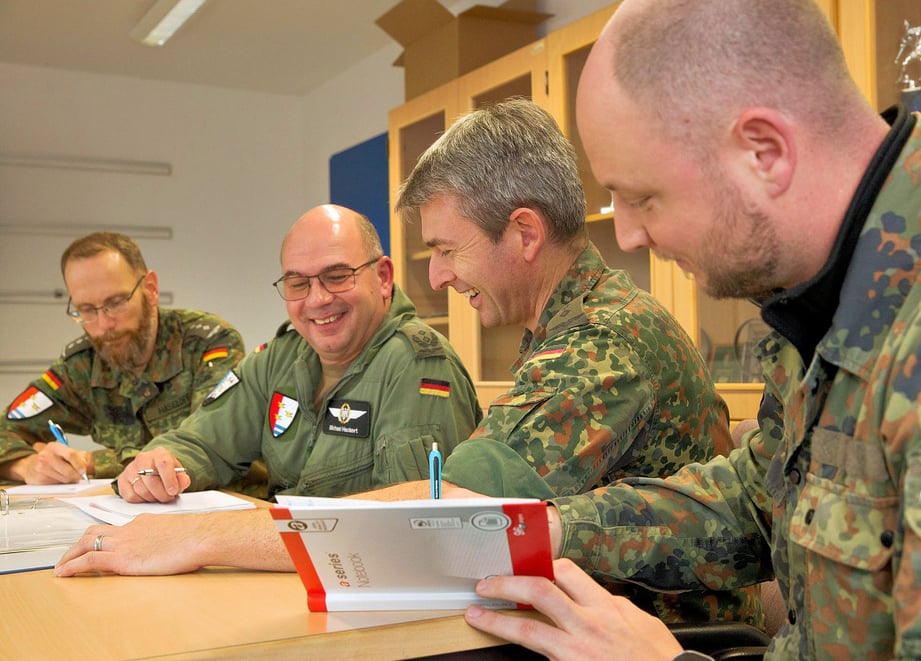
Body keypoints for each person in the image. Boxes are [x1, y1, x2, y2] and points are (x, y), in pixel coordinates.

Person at [453, 0, 921, 659]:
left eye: (642, 197)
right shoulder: (821, 293)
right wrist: (546, 530)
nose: (630, 235)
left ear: (764, 151)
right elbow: (756, 498)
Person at [56, 103, 753, 629]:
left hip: (652, 637)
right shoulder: (569, 324)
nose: (442, 276)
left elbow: (446, 514)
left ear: (524, 233)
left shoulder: (604, 340)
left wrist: (193, 536)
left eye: (448, 250)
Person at [108, 204, 481, 503]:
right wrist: (161, 463)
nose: (317, 300)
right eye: (297, 283)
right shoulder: (280, 359)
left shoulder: (417, 365)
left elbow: (409, 523)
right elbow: (203, 441)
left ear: (383, 278)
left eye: (337, 276)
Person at [0, 232, 244, 484]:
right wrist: (25, 466)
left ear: (150, 289)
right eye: (86, 310)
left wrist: (92, 463)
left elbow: (205, 445)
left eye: (115, 303)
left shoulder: (207, 343)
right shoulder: (83, 365)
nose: (104, 325)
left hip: (219, 505)